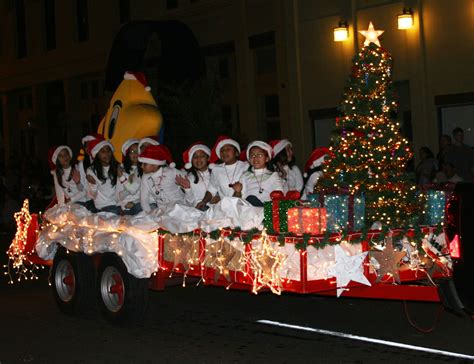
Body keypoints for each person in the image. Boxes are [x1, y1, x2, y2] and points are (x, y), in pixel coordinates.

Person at [196, 136, 248, 209]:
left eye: (228, 149)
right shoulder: (216, 170)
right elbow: (211, 189)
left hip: (252, 204)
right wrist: (204, 201)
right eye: (222, 150)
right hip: (227, 208)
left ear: (236, 153)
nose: (224, 152)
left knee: (266, 217)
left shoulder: (246, 167)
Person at [232, 140, 283, 207]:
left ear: (267, 158)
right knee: (249, 199)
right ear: (249, 160)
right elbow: (239, 199)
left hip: (267, 208)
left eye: (259, 155)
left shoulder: (273, 175)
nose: (255, 158)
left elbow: (279, 194)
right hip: (250, 207)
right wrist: (237, 192)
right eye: (252, 155)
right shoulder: (245, 175)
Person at [139, 144, 185, 213]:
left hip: (179, 206)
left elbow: (188, 179)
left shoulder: (171, 171)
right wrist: (148, 214)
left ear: (155, 164)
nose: (141, 166)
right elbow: (144, 199)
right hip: (162, 210)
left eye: (145, 164)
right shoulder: (145, 177)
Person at [85, 137, 121, 214]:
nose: (106, 154)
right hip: (104, 206)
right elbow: (92, 195)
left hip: (119, 204)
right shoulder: (91, 170)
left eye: (108, 150)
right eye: (102, 151)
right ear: (97, 154)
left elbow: (123, 189)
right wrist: (93, 184)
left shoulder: (118, 166)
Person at [175, 142, 212, 209]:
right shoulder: (189, 178)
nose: (198, 159)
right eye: (195, 156)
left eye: (202, 156)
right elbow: (189, 204)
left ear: (208, 158)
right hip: (199, 212)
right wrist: (187, 189)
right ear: (191, 161)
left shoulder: (216, 173)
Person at [117, 138, 142, 215]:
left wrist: (121, 177)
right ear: (128, 154)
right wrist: (122, 205)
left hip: (138, 203)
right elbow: (119, 190)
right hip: (124, 205)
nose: (135, 153)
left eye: (137, 151)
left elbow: (135, 190)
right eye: (132, 152)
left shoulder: (144, 168)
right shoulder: (122, 168)